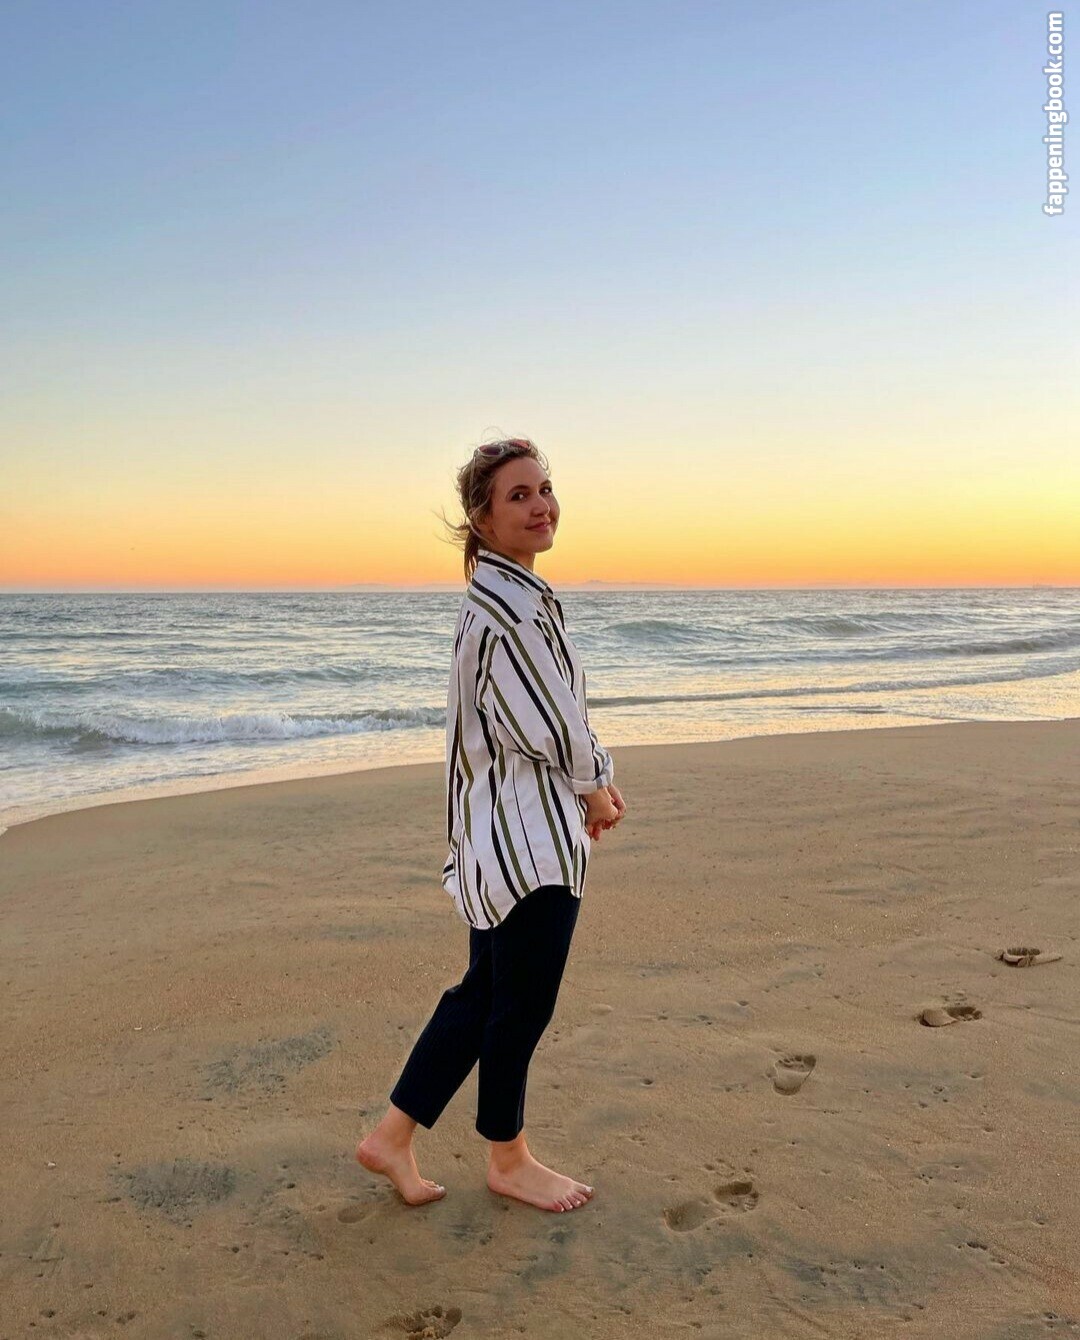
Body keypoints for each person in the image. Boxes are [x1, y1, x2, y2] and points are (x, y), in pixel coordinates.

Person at [356, 436, 626, 1213]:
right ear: (480, 518)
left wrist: (592, 783)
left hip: (503, 833)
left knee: (485, 994)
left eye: (544, 489)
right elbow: (550, 725)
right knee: (519, 1004)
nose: (541, 505)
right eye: (518, 495)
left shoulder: (508, 597)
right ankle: (508, 1159)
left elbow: (547, 717)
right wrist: (595, 787)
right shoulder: (507, 610)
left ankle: (393, 1137)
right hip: (526, 841)